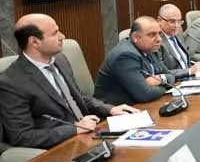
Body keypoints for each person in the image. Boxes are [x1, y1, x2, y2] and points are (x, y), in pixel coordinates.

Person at [0, 14, 137, 149]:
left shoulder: (60, 60)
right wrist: (75, 129)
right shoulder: (11, 82)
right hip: (59, 146)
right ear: (34, 42)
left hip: (90, 132)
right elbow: (22, 136)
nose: (62, 36)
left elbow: (78, 96)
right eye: (55, 33)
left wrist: (110, 109)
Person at [94, 16, 176, 105]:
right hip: (115, 109)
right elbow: (145, 94)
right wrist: (165, 87)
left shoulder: (150, 48)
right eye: (152, 35)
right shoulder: (125, 55)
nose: (159, 39)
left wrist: (160, 79)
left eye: (159, 34)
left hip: (139, 104)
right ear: (135, 37)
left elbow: (170, 75)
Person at [157, 4, 200, 80]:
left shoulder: (178, 33)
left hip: (190, 78)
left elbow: (184, 61)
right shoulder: (157, 42)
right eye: (172, 21)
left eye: (179, 21)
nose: (176, 25)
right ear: (159, 20)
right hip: (175, 82)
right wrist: (189, 71)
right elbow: (162, 73)